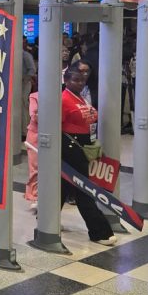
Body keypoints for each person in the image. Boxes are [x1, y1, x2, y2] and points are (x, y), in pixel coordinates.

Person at [61, 67, 116, 245]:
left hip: (84, 147)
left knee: (62, 189)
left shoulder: (81, 98)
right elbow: (57, 126)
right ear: (67, 81)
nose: (80, 83)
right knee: (84, 191)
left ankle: (46, 220)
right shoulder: (63, 99)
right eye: (76, 80)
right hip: (70, 150)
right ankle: (100, 231)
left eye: (82, 79)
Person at [24, 86, 39, 211]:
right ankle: (34, 196)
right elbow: (34, 116)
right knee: (35, 168)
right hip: (35, 137)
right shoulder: (34, 96)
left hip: (53, 135)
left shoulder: (59, 96)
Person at [21, 37, 37, 138]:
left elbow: (32, 70)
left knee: (23, 105)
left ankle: (25, 131)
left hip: (24, 84)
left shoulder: (25, 55)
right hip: (20, 84)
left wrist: (24, 79)